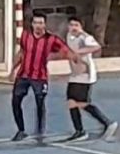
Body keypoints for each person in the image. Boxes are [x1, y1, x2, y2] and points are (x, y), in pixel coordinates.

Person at [10, 12, 75, 143]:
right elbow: (21, 53)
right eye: (35, 23)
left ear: (45, 24)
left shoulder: (51, 39)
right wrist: (13, 69)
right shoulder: (25, 36)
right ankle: (21, 130)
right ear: (32, 24)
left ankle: (40, 131)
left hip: (40, 77)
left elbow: (65, 51)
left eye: (41, 23)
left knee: (40, 103)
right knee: (16, 102)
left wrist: (53, 57)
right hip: (23, 75)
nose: (38, 26)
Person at [62, 16, 119, 142]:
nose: (73, 28)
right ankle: (79, 131)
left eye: (76, 25)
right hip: (75, 75)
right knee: (71, 102)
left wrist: (80, 52)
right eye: (71, 25)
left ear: (81, 27)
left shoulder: (85, 37)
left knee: (81, 103)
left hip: (85, 75)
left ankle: (107, 122)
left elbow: (96, 47)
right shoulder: (69, 36)